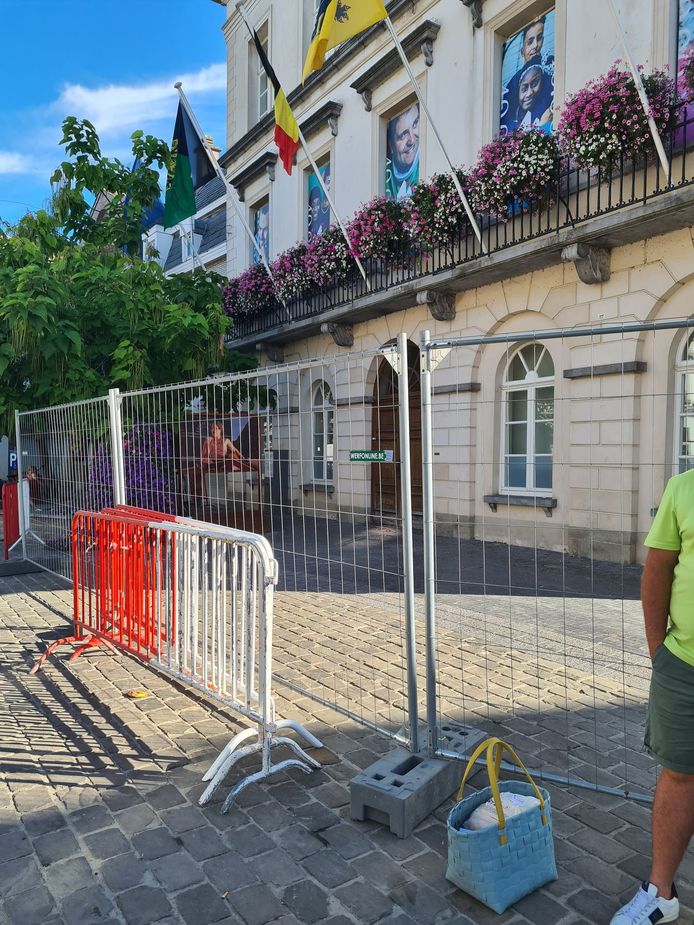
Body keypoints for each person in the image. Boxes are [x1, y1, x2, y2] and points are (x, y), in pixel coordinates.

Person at [609, 469, 694, 924]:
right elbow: (658, 569)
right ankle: (661, 893)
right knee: (679, 776)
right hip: (685, 667)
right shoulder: (684, 487)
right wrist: (659, 652)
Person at [500, 17, 554, 134]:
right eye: (530, 42)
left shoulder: (550, 66)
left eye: (539, 38)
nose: (535, 45)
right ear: (522, 50)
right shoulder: (512, 87)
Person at [501, 58, 553, 134]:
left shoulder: (547, 111)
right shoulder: (510, 122)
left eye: (534, 84)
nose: (530, 93)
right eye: (524, 89)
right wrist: (541, 124)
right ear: (517, 91)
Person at [385, 102, 420, 201]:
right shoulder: (388, 180)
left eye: (415, 123)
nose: (412, 140)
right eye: (403, 134)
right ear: (390, 145)